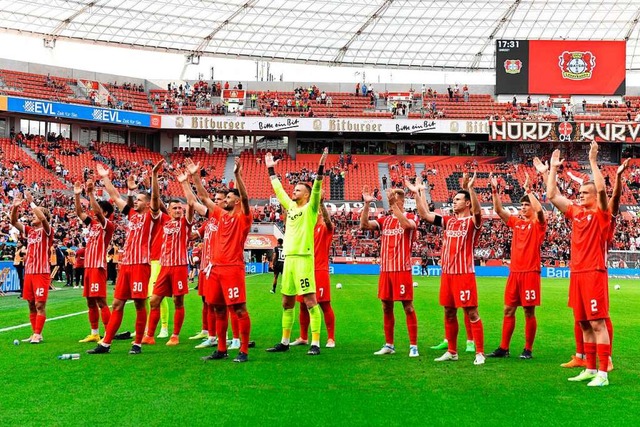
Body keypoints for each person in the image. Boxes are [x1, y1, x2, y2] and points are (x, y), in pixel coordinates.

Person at [546, 143, 612, 386]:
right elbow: (552, 196)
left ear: (594, 196)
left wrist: (593, 162)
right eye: (579, 193)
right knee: (583, 323)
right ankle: (590, 368)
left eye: (585, 193)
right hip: (577, 272)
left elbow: (603, 190)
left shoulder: (602, 214)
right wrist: (553, 169)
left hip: (594, 272)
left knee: (597, 322)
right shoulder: (577, 213)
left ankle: (603, 374)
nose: (580, 196)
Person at [413, 173, 486, 365]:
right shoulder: (449, 221)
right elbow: (425, 215)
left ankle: (480, 353)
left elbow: (478, 213)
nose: (454, 202)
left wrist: (470, 189)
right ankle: (452, 351)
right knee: (448, 311)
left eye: (458, 199)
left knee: (472, 313)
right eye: (453, 199)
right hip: (447, 274)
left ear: (467, 203)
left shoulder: (472, 222)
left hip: (464, 274)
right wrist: (416, 193)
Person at [87, 162, 159, 355]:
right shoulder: (132, 215)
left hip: (140, 264)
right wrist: (104, 177)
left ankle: (137, 343)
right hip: (126, 264)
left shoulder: (152, 216)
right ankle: (106, 343)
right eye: (136, 199)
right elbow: (115, 196)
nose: (136, 201)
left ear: (148, 203)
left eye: (140, 199)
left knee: (138, 303)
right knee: (117, 303)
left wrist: (152, 177)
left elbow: (156, 200)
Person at [187, 157, 253, 363]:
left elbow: (245, 197)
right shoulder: (219, 215)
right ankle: (222, 349)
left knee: (239, 308)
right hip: (214, 269)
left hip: (232, 268)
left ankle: (243, 350)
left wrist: (237, 176)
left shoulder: (243, 217)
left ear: (237, 201)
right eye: (226, 198)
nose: (226, 200)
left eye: (230, 197)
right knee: (217, 308)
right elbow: (204, 198)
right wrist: (195, 176)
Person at [265, 148, 328, 356]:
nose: (294, 192)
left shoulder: (310, 209)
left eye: (298, 190)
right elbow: (278, 191)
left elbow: (317, 187)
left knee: (310, 301)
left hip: (303, 259)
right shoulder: (291, 207)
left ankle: (316, 343)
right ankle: (284, 342)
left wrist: (320, 167)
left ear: (307, 194)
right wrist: (271, 169)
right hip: (289, 260)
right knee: (286, 301)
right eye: (294, 189)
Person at [486, 172, 546, 359]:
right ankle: (504, 348)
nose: (523, 207)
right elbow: (498, 210)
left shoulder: (538, 224)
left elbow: (540, 212)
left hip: (530, 272)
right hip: (515, 273)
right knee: (508, 309)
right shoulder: (516, 223)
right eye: (522, 205)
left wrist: (529, 191)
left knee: (529, 310)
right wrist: (495, 189)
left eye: (527, 204)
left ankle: (528, 349)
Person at [360, 186, 419, 357]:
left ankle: (413, 346)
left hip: (402, 269)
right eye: (390, 198)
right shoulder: (384, 220)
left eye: (394, 199)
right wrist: (366, 204)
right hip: (385, 269)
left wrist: (393, 205)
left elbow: (407, 225)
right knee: (386, 306)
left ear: (401, 201)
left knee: (407, 307)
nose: (391, 201)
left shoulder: (410, 216)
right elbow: (364, 225)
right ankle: (389, 345)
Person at [142, 162, 194, 346]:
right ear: (169, 210)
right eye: (175, 208)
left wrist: (185, 183)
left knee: (178, 301)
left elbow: (192, 203)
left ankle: (175, 335)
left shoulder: (185, 223)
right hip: (164, 267)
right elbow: (155, 200)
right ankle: (149, 335)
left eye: (181, 208)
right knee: (154, 300)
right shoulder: (163, 221)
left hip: (179, 267)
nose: (179, 211)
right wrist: (154, 176)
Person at [290, 195, 336, 348]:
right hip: (303, 269)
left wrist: (321, 203)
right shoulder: (305, 228)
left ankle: (331, 338)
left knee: (324, 305)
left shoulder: (324, 228)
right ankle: (303, 337)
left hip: (319, 270)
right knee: (303, 305)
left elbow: (329, 224)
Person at [73, 179, 115, 343]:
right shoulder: (92, 225)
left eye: (97, 209)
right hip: (88, 267)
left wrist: (90, 193)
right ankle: (95, 333)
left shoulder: (108, 226)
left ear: (104, 213)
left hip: (98, 266)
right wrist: (77, 195)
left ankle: (108, 332)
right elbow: (79, 212)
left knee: (101, 300)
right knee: (90, 301)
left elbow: (96, 212)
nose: (92, 211)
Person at [11, 191, 53, 344]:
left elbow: (42, 217)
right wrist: (15, 207)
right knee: (30, 303)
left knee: (39, 304)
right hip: (29, 272)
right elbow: (14, 222)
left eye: (35, 215)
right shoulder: (30, 232)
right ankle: (34, 333)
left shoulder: (48, 231)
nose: (33, 216)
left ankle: (38, 334)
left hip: (41, 272)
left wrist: (31, 202)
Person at [189, 188, 228, 349]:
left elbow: (200, 201)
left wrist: (187, 182)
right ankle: (209, 333)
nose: (216, 201)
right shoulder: (210, 220)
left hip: (220, 266)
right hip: (206, 268)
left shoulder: (225, 218)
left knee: (222, 304)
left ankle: (222, 337)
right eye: (216, 198)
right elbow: (193, 203)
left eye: (219, 199)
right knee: (208, 302)